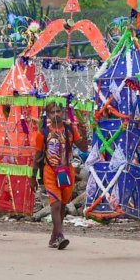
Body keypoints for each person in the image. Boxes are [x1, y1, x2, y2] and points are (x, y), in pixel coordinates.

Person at [31, 102, 89, 250]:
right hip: (50, 172)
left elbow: (83, 147)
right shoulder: (43, 133)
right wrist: (32, 177)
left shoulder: (70, 129)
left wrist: (84, 133)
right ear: (48, 115)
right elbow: (37, 157)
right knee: (55, 204)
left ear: (62, 112)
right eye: (52, 112)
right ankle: (60, 236)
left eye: (58, 111)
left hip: (67, 172)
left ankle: (53, 236)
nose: (56, 114)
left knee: (62, 206)